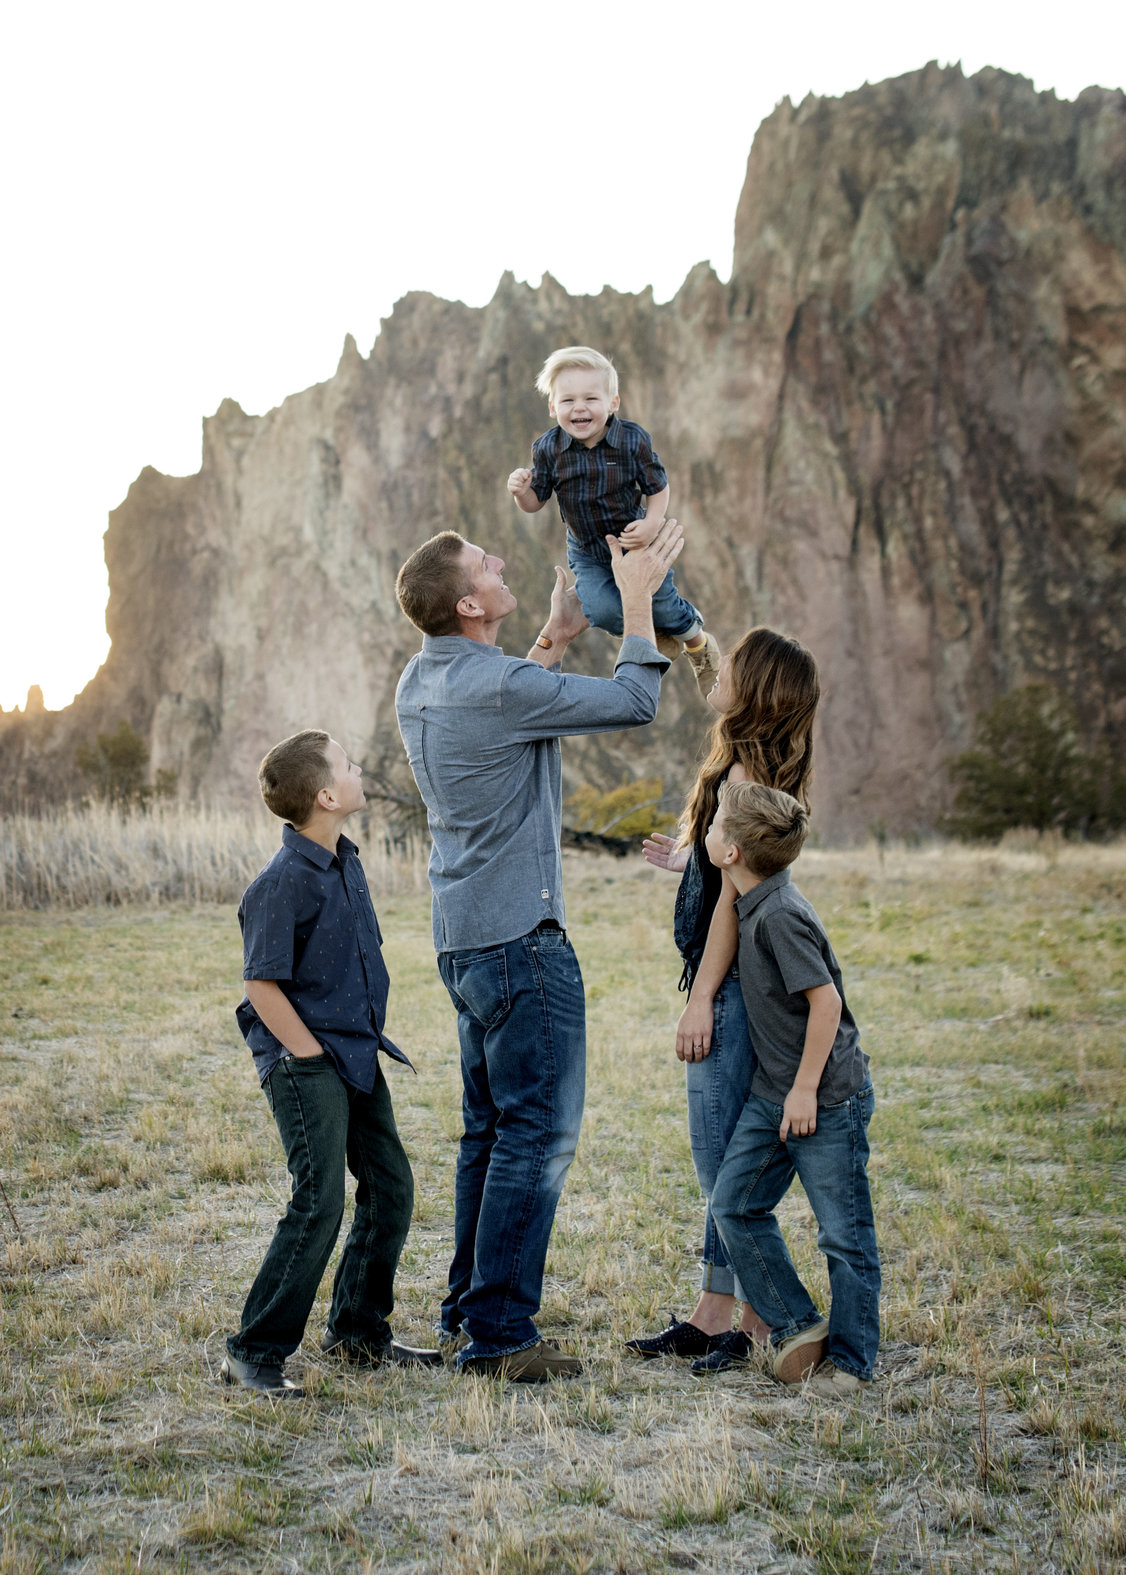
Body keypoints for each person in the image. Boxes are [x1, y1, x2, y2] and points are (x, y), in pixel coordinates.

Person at [394, 521, 683, 1382]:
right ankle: (502, 1339)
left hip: (463, 939)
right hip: (523, 938)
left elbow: (507, 696)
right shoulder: (495, 683)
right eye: (487, 564)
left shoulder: (421, 679)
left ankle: (469, 1315)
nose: (502, 561)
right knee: (536, 1136)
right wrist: (634, 601)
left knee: (488, 1132)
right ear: (470, 603)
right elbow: (635, 701)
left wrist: (553, 637)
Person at [221, 730, 441, 1397]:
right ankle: (253, 1349)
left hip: (358, 1049)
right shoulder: (281, 881)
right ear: (324, 794)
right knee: (319, 1200)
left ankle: (357, 1331)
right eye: (348, 764)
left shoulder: (346, 860)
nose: (359, 768)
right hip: (305, 1059)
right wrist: (310, 1053)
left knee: (391, 1187)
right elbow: (262, 984)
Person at [628, 628, 821, 1372]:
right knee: (726, 1160)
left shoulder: (744, 778)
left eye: (734, 666)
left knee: (722, 1165)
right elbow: (731, 872)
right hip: (741, 985)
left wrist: (702, 997)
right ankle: (715, 1313)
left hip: (733, 987)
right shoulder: (759, 772)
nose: (721, 672)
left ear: (759, 692)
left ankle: (765, 1318)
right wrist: (688, 858)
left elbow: (732, 909)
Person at [705, 781, 879, 1395]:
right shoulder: (750, 896)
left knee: (844, 1235)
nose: (710, 826)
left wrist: (804, 1091)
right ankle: (799, 1326)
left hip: (824, 1098)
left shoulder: (780, 914)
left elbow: (826, 1003)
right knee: (734, 1204)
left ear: (732, 853)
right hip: (772, 1093)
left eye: (718, 823)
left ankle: (854, 1363)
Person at [506, 344, 719, 696]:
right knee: (603, 611)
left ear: (613, 403)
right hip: (587, 550)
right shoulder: (547, 449)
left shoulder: (632, 441)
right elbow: (535, 503)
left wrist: (651, 524)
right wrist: (521, 492)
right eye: (567, 401)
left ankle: (698, 643)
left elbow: (658, 487)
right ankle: (653, 633)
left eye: (591, 399)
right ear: (552, 406)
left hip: (633, 539)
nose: (579, 408)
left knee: (663, 602)